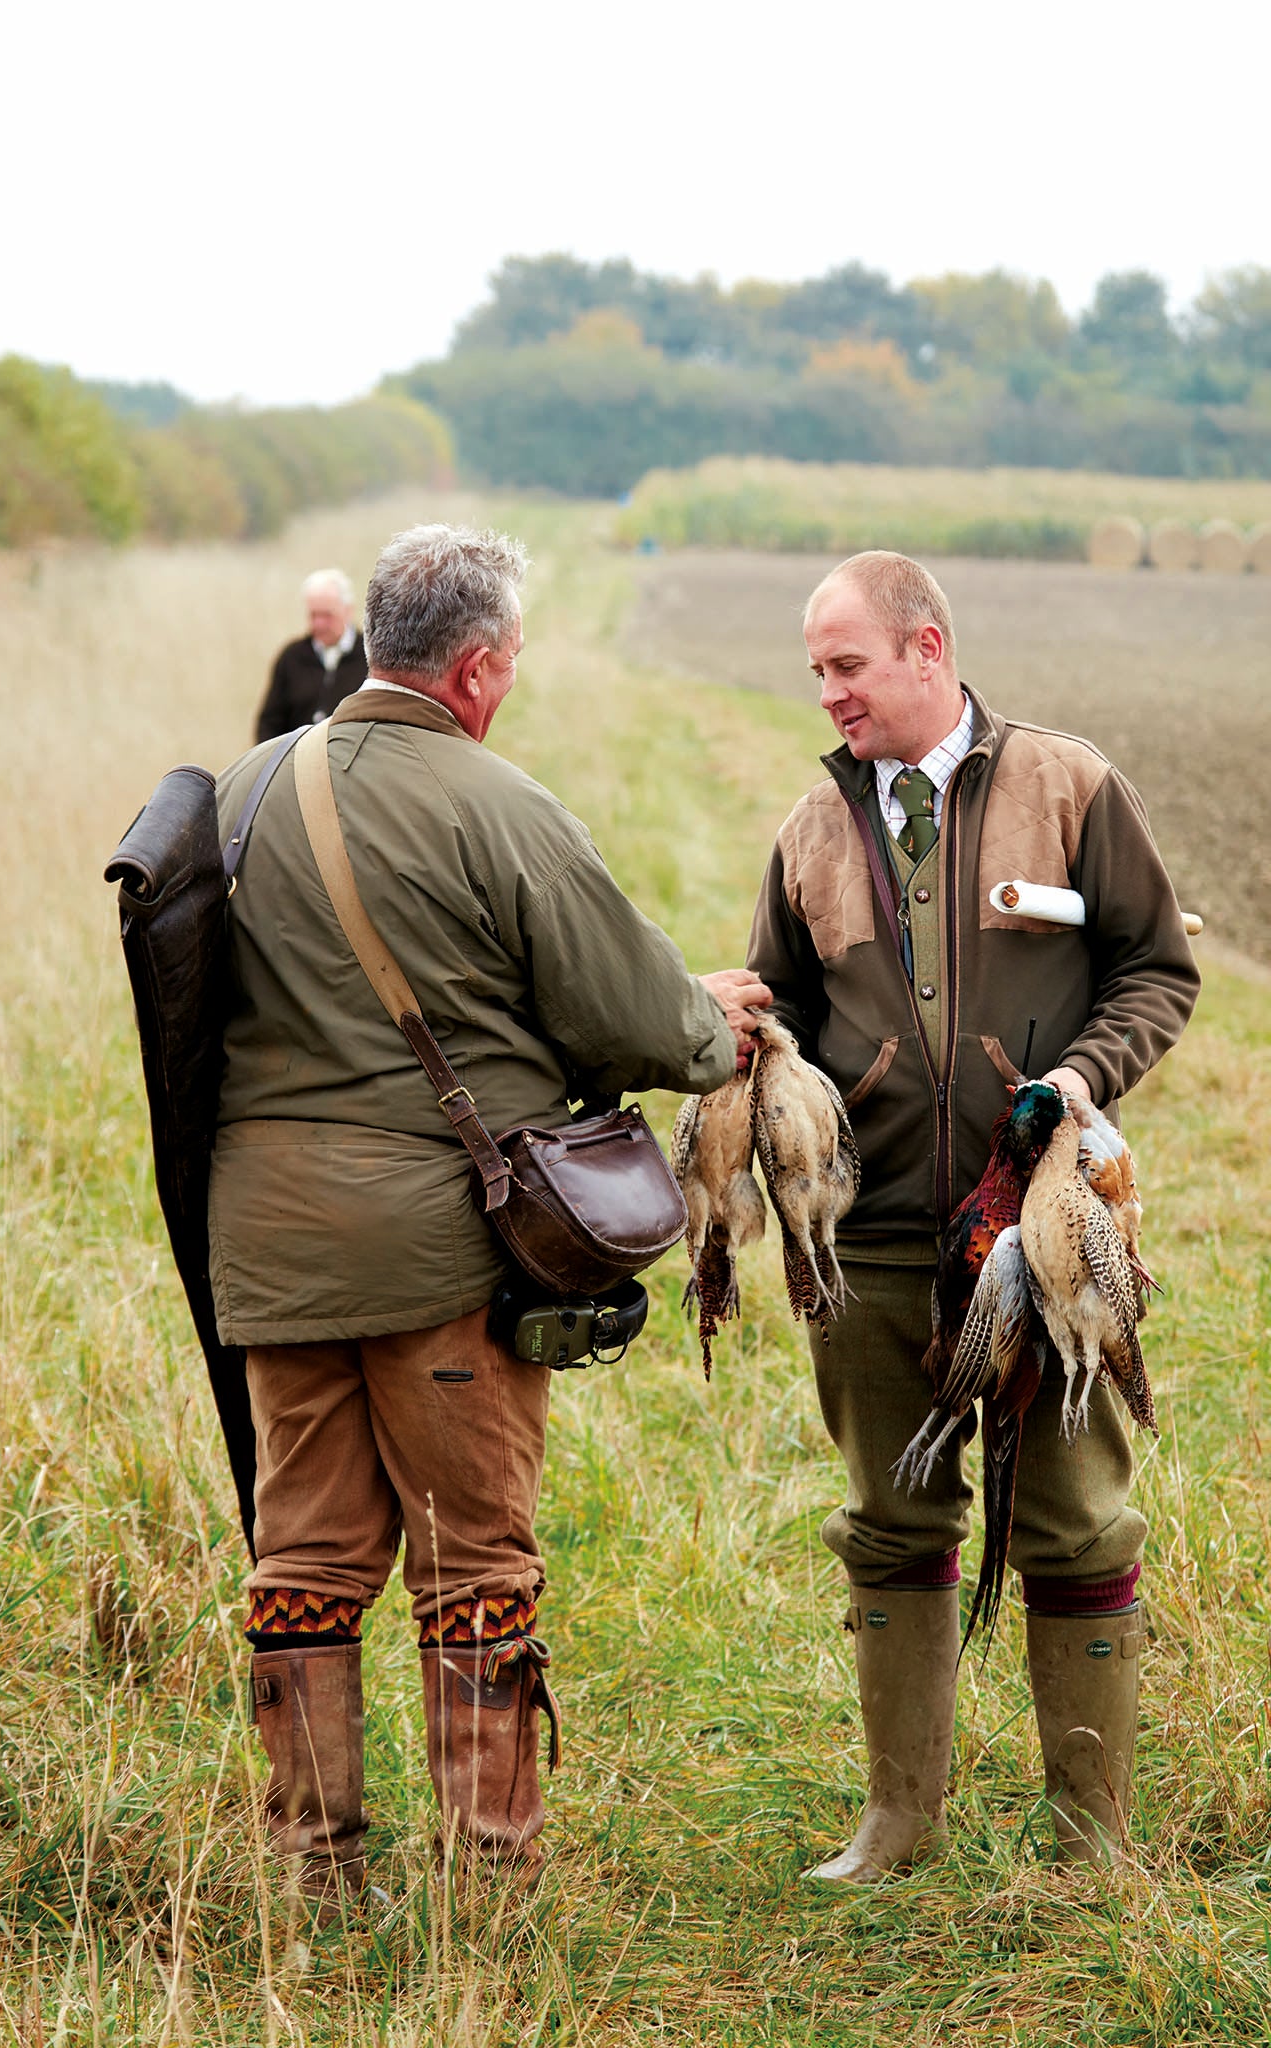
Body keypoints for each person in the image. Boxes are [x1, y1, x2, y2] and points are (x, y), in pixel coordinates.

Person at [210, 523, 768, 1915]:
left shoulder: (237, 794)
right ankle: (489, 1886)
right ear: (474, 667)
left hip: (267, 1244)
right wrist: (711, 1018)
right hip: (440, 1250)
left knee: (306, 1556)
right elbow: (641, 1022)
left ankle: (313, 1872)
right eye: (507, 663)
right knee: (473, 1562)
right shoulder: (497, 802)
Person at [746, 550, 1198, 1882]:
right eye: (816, 671)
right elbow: (776, 1014)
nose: (827, 691)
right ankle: (898, 1825)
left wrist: (1083, 1077)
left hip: (1046, 1238)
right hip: (873, 1241)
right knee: (892, 1523)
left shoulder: (1069, 785)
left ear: (928, 649)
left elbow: (1158, 968)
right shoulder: (807, 834)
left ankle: (1092, 1840)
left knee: (1076, 1524)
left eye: (847, 665)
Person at [255, 568, 369, 740]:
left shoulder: (370, 656)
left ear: (348, 611)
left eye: (327, 615)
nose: (319, 624)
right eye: (313, 615)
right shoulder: (291, 657)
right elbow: (270, 722)